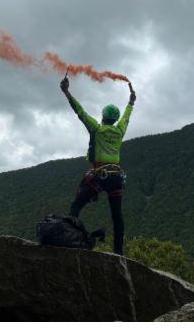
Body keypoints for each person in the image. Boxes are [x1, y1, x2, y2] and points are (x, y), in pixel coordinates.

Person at [60, 75, 135, 255]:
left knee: (76, 206)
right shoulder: (120, 130)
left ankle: (69, 241)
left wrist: (66, 91)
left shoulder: (97, 129)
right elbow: (127, 116)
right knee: (117, 215)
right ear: (115, 119)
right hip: (117, 176)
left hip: (100, 174)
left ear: (103, 116)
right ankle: (118, 252)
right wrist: (131, 101)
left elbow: (80, 112)